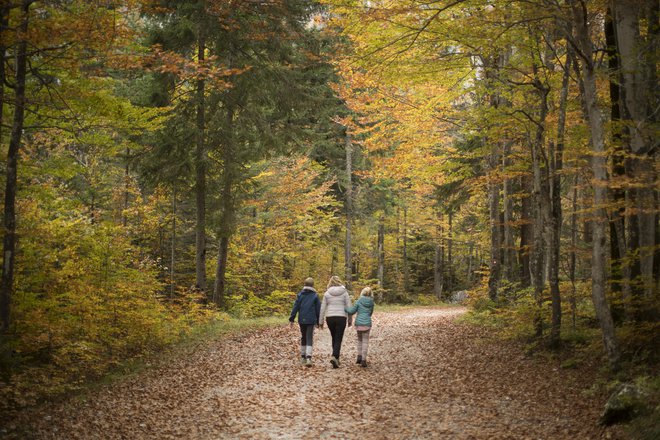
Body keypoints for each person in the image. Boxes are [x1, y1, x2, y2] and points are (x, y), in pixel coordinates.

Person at [319, 275, 352, 368]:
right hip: (341, 317)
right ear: (339, 281)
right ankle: (335, 356)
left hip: (330, 317)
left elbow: (322, 308)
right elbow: (349, 306)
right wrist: (350, 319)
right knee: (338, 337)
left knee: (334, 337)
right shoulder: (344, 292)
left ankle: (336, 358)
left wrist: (320, 321)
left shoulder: (327, 293)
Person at [289, 277, 321, 367]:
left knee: (303, 337)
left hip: (302, 319)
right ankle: (309, 358)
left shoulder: (300, 295)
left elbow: (295, 307)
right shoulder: (315, 296)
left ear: (304, 285)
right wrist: (319, 321)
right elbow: (318, 309)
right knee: (309, 337)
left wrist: (292, 318)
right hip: (311, 320)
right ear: (313, 285)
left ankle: (303, 356)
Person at [345, 286, 375, 367]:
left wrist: (345, 309)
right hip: (367, 323)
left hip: (359, 323)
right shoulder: (372, 303)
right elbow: (370, 313)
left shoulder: (358, 301)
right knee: (365, 342)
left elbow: (352, 311)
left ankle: (359, 356)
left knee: (359, 340)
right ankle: (364, 360)